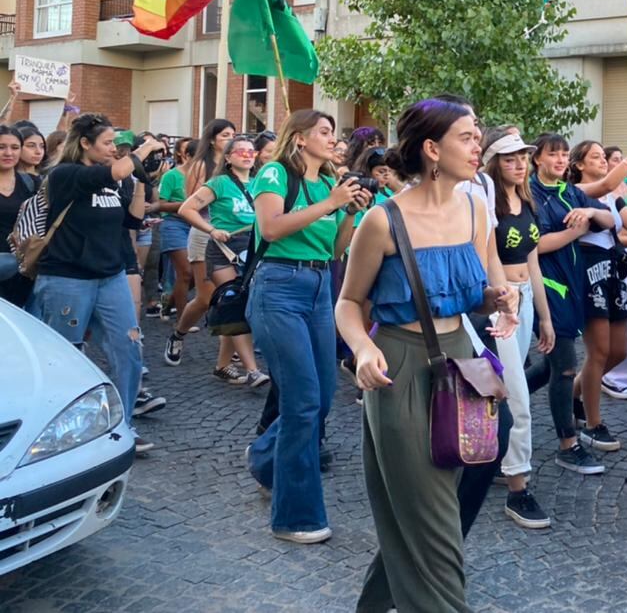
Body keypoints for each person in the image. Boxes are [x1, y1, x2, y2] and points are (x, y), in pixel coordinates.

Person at [335, 99, 516, 611]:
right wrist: (364, 347)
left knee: (418, 514)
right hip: (400, 369)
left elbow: (485, 287)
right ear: (433, 149)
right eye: (467, 135)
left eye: (477, 133)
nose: (478, 142)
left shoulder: (479, 206)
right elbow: (348, 303)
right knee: (435, 526)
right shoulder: (382, 221)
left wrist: (503, 300)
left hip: (465, 362)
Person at [244, 109, 370, 544]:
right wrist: (332, 204)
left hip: (319, 286)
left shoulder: (326, 185)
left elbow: (336, 250)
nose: (332, 139)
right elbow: (271, 228)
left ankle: (264, 458)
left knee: (322, 397)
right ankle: (294, 516)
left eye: (333, 133)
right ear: (298, 138)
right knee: (301, 402)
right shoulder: (276, 174)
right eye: (323, 131)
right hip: (279, 286)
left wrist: (350, 214)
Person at [32, 114, 166, 454]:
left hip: (110, 276)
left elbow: (131, 220)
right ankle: (58, 432)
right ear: (85, 144)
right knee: (66, 355)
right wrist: (145, 147)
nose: (114, 149)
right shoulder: (64, 175)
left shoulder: (116, 180)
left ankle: (121, 426)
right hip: (67, 278)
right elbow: (117, 169)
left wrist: (141, 181)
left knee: (129, 349)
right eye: (107, 143)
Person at [530, 133, 617, 476]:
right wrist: (574, 232)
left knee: (551, 367)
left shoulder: (571, 192)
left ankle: (505, 395)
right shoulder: (531, 196)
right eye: (554, 154)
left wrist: (588, 212)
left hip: (574, 286)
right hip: (549, 288)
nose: (561, 160)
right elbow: (535, 245)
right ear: (538, 158)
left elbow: (610, 221)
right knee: (566, 366)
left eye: (565, 154)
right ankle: (568, 444)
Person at [483, 128, 556, 529]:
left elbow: (533, 263)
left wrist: (544, 316)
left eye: (522, 157)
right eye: (510, 158)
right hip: (498, 303)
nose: (519, 164)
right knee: (517, 397)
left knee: (506, 389)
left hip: (525, 299)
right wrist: (501, 300)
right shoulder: (485, 201)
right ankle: (517, 488)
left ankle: (494, 458)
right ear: (494, 162)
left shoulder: (525, 198)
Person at [567, 139, 627, 452]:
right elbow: (607, 184)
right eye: (596, 156)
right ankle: (593, 423)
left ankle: (573, 392)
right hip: (590, 272)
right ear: (579, 165)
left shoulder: (613, 197)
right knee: (599, 351)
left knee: (619, 350)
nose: (603, 160)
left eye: (604, 156)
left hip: (614, 273)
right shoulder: (575, 192)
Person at [173, 134, 269, 388]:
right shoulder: (219, 183)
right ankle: (252, 370)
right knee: (234, 303)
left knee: (234, 309)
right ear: (228, 157)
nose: (248, 155)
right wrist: (211, 229)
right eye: (241, 151)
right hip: (223, 252)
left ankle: (222, 365)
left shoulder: (261, 182)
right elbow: (186, 209)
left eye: (251, 151)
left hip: (252, 250)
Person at [178, 119, 239, 379]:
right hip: (205, 233)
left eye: (234, 135)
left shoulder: (242, 165)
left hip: (234, 239)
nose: (230, 138)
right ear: (213, 139)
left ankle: (225, 360)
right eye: (225, 135)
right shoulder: (202, 165)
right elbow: (190, 202)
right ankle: (178, 333)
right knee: (205, 299)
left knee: (234, 298)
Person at [156, 138, 194, 323]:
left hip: (198, 225)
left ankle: (169, 300)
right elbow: (161, 204)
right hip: (174, 223)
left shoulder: (207, 176)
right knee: (185, 272)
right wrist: (188, 205)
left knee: (196, 274)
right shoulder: (171, 176)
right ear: (185, 155)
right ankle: (182, 318)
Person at [0, 124, 36, 308]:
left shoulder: (31, 183)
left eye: (14, 148)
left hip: (23, 269)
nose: (8, 153)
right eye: (1, 147)